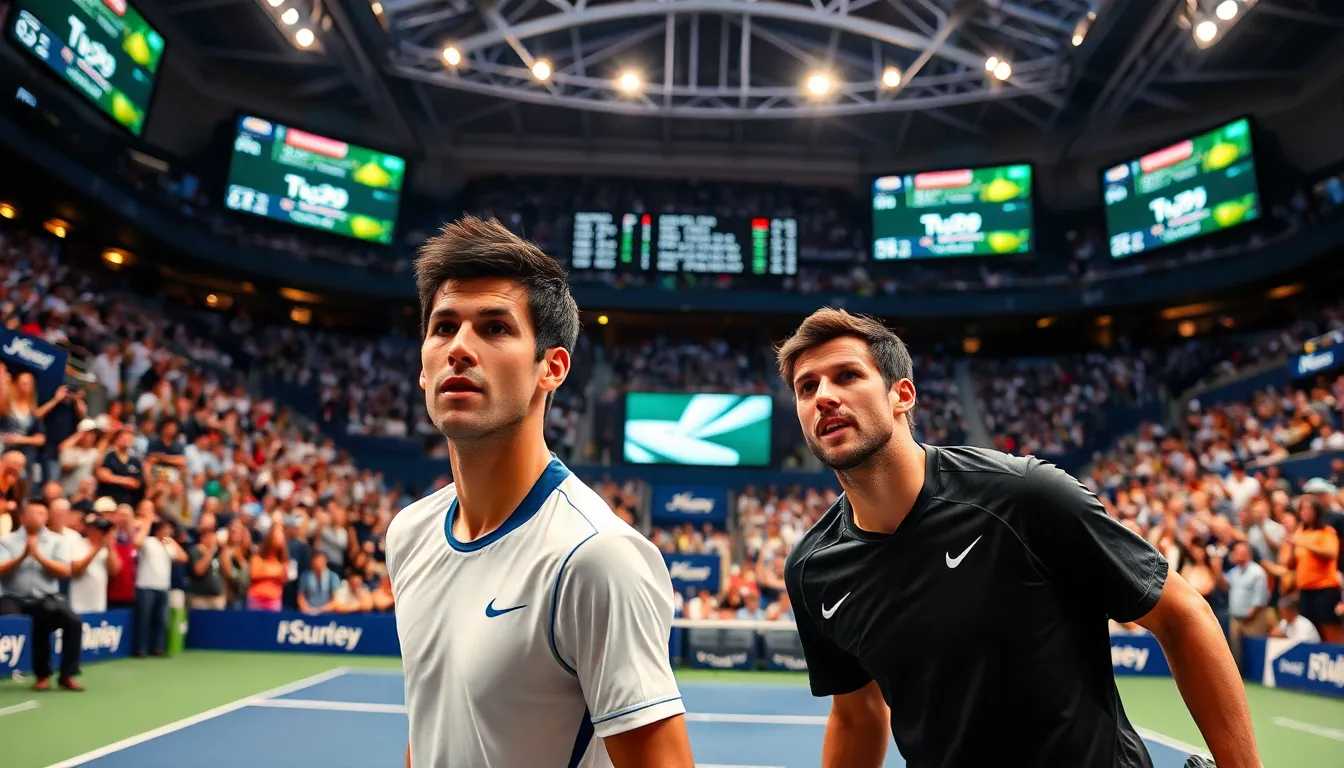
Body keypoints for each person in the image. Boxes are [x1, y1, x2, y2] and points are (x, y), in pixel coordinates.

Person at [775, 308, 1259, 768]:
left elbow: (1181, 615)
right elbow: (857, 714)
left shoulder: (1023, 495)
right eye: (806, 387)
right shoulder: (813, 569)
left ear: (902, 395)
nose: (823, 396)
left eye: (847, 376)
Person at [386, 216, 693, 768]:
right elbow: (432, 726)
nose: (459, 347)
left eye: (495, 328)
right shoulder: (408, 533)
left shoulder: (597, 558)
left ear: (552, 368)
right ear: (423, 371)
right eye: (443, 326)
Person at [0, 500, 84, 690]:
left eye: (40, 513)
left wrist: (38, 556)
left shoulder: (57, 540)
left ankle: (66, 675)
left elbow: (64, 571)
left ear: (46, 517)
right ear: (22, 516)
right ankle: (26, 672)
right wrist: (22, 557)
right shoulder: (6, 540)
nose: (36, 517)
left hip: (45, 597)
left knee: (72, 621)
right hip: (13, 597)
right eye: (32, 513)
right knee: (9, 621)